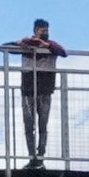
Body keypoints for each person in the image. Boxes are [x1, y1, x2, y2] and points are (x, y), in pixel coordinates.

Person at [16, 19, 65, 168]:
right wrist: (20, 43)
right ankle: (32, 156)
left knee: (43, 124)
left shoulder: (51, 45)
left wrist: (47, 45)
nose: (45, 33)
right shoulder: (27, 44)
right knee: (28, 124)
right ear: (35, 31)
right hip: (28, 89)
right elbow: (6, 47)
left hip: (45, 90)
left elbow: (63, 52)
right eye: (42, 30)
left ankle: (41, 156)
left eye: (46, 30)